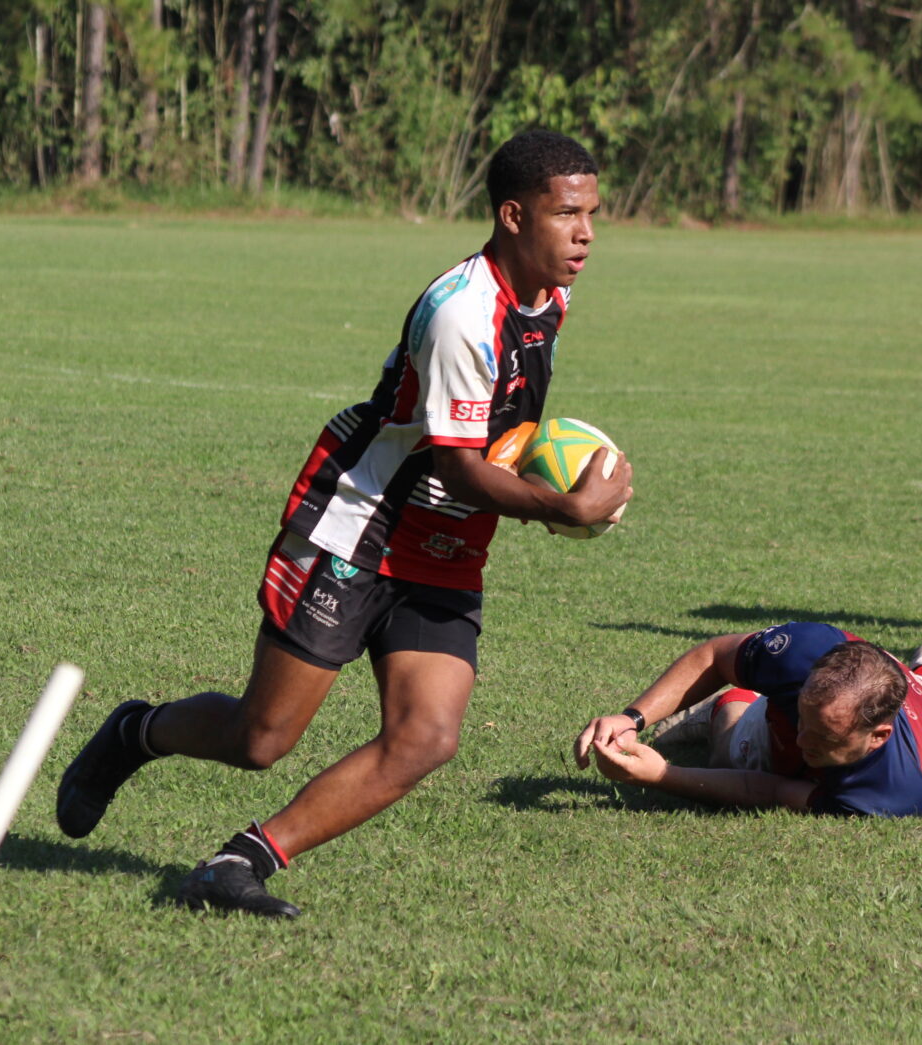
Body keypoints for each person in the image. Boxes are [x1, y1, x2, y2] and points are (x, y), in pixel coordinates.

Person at [55, 130, 632, 918]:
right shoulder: (466, 311)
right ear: (512, 215)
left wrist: (540, 465)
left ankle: (237, 863)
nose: (587, 233)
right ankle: (136, 732)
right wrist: (562, 505)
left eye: (593, 214)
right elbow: (459, 465)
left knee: (427, 735)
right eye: (568, 214)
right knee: (261, 738)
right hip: (362, 522)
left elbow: (492, 438)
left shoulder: (551, 296)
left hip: (449, 542)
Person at [573, 622, 922, 817]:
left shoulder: (891, 795)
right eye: (801, 720)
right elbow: (714, 656)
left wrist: (661, 776)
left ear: (878, 736)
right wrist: (631, 718)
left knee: (729, 762)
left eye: (824, 737)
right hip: (912, 685)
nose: (801, 740)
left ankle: (728, 705)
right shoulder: (806, 652)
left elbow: (773, 788)